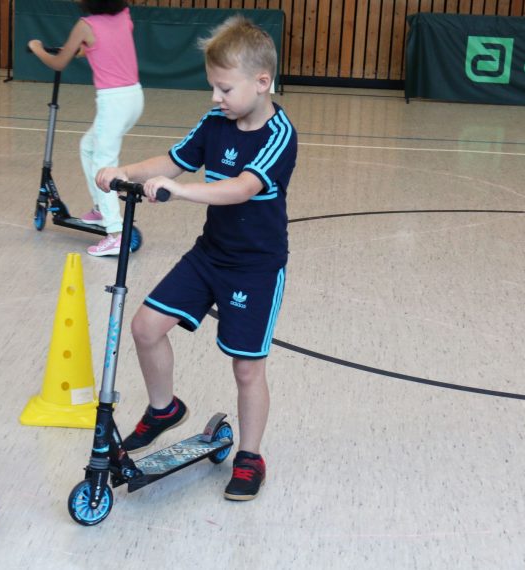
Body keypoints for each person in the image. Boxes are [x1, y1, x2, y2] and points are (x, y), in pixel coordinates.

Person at [96, 15, 297, 501]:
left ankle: (250, 455)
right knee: (145, 327)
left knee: (246, 367)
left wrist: (179, 193)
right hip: (210, 255)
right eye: (213, 87)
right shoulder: (216, 122)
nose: (215, 98)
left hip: (255, 266)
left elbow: (241, 188)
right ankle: (164, 408)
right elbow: (173, 159)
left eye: (224, 89)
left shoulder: (278, 136)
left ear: (261, 82)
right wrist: (122, 170)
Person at [28, 0, 143, 257]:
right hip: (134, 97)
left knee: (104, 163)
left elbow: (58, 63)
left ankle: (114, 231)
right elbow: (110, 45)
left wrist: (36, 47)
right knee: (88, 146)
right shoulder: (124, 15)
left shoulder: (85, 25)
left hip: (113, 102)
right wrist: (87, 49)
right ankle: (102, 210)